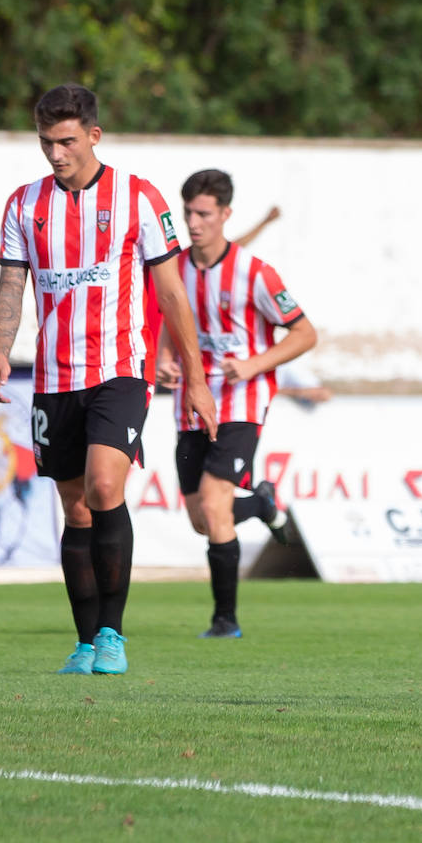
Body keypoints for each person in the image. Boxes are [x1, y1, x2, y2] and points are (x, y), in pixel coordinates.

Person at [0, 83, 218, 675]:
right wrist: (0, 353)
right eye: (46, 142)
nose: (56, 153)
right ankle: (85, 642)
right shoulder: (23, 205)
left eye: (66, 141)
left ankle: (113, 634)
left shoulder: (138, 198)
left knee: (103, 488)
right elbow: (12, 285)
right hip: (54, 377)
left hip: (119, 370)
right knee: (75, 507)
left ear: (93, 134)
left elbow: (170, 291)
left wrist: (194, 379)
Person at [156, 170, 317, 639]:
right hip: (191, 404)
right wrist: (167, 361)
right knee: (201, 519)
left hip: (242, 402)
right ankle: (263, 503)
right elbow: (171, 322)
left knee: (213, 500)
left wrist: (253, 365)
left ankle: (224, 621)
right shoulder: (176, 269)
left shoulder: (255, 273)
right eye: (188, 212)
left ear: (226, 214)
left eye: (203, 213)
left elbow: (305, 333)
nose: (193, 222)